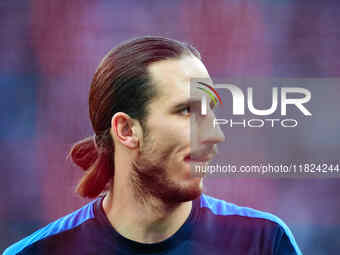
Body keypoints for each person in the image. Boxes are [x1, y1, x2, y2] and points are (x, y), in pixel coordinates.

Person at [3, 36, 302, 255]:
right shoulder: (37, 253)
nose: (214, 134)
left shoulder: (265, 242)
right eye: (186, 111)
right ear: (126, 130)